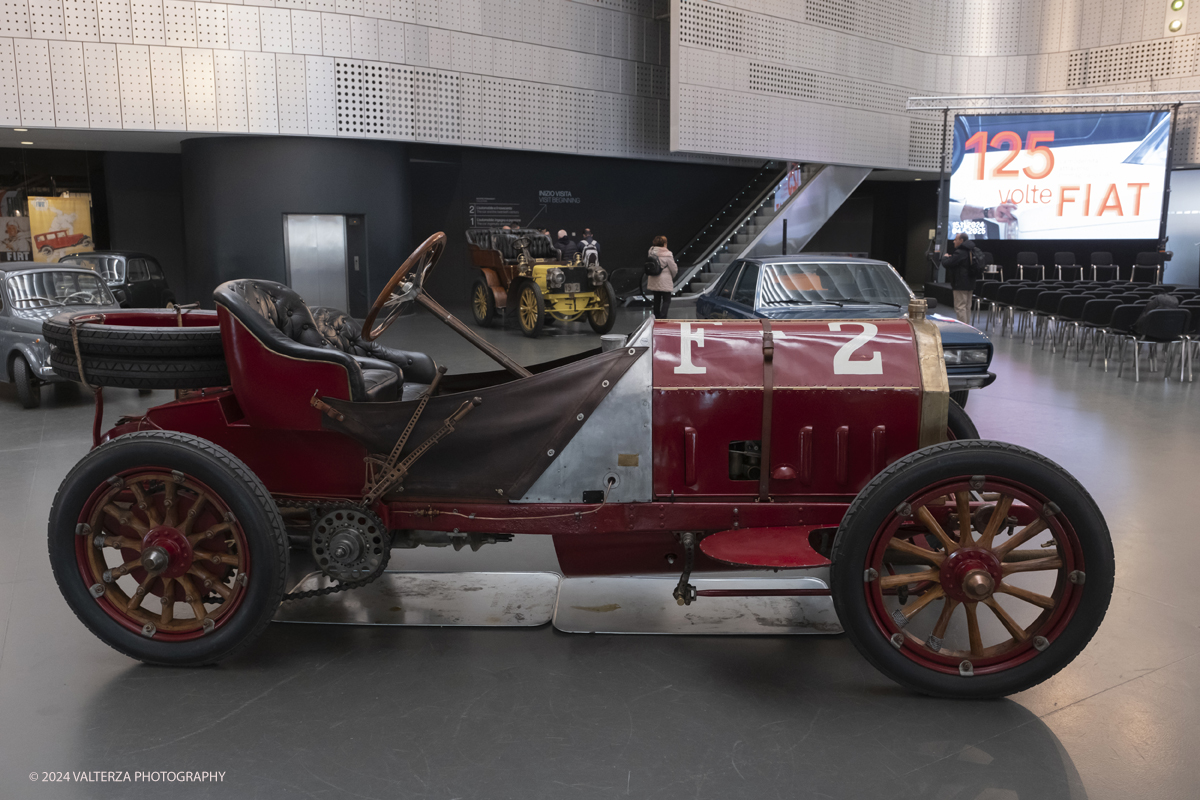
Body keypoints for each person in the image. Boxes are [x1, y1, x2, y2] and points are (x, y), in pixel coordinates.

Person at [940, 232, 981, 324]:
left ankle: (962, 328)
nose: (953, 242)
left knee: (960, 307)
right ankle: (967, 327)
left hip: (960, 283)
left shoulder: (960, 252)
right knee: (967, 307)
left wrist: (945, 257)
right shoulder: (972, 250)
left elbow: (948, 263)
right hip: (971, 283)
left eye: (955, 239)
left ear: (961, 240)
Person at [647, 235, 678, 319]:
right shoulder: (668, 254)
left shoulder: (651, 252)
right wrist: (673, 276)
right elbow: (673, 268)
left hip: (653, 278)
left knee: (656, 299)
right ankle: (663, 317)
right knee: (666, 300)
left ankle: (656, 316)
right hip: (665, 280)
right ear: (664, 243)